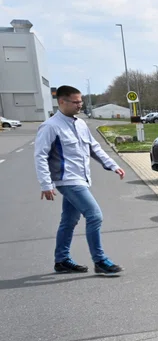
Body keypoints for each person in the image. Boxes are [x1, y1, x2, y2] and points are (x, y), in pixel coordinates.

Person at [34, 85, 125, 275]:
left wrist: (112, 165)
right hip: (67, 180)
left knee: (69, 221)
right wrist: (46, 184)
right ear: (61, 102)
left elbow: (95, 148)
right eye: (75, 102)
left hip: (82, 179)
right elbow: (40, 155)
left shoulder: (80, 124)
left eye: (80, 101)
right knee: (94, 215)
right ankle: (100, 260)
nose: (80, 105)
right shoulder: (51, 126)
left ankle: (62, 260)